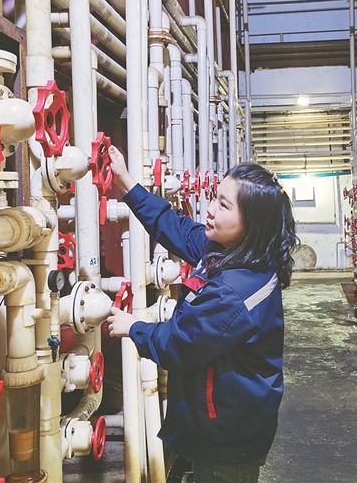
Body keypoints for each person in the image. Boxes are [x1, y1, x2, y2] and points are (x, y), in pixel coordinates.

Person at [106, 145, 298, 483]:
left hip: (226, 437)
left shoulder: (234, 291)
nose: (209, 209)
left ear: (251, 223)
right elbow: (175, 228)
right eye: (214, 198)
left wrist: (133, 326)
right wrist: (126, 183)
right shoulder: (233, 251)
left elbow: (179, 344)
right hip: (222, 421)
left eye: (223, 205)